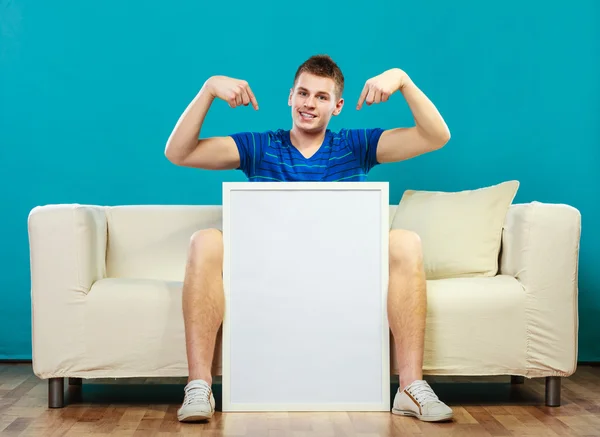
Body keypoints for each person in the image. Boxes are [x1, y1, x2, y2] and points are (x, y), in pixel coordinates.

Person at [164, 54, 453, 423]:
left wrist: (403, 80)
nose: (309, 104)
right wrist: (208, 90)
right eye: (303, 93)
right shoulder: (260, 147)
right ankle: (199, 386)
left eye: (320, 96)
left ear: (337, 106)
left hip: (343, 267)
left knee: (406, 240)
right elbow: (178, 152)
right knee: (204, 240)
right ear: (290, 97)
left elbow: (436, 136)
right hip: (269, 268)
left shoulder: (355, 146)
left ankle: (410, 387)